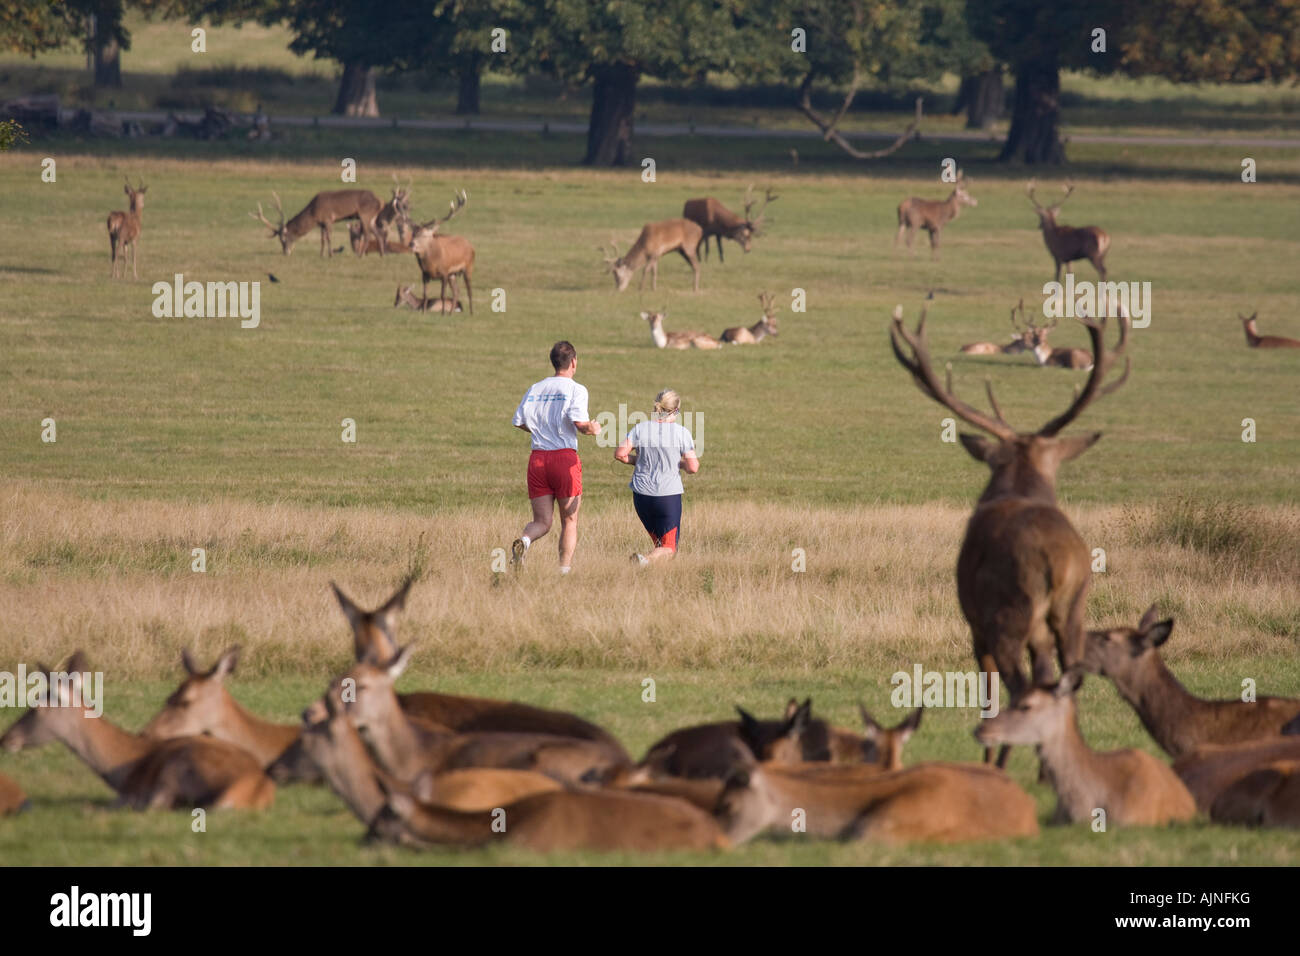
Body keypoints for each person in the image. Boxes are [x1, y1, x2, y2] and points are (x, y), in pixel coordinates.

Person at [510, 341, 601, 574]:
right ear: (573, 362)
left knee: (542, 522)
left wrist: (542, 431)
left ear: (553, 362)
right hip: (564, 459)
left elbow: (519, 421)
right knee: (569, 521)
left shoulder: (536, 388)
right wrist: (593, 429)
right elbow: (579, 423)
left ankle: (526, 541)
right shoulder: (576, 389)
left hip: (538, 459)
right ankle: (563, 571)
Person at [615, 388, 700, 565]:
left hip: (641, 496)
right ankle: (643, 561)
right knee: (669, 548)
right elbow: (693, 467)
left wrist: (639, 460)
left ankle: (655, 576)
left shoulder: (640, 428)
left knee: (660, 545)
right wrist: (679, 463)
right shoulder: (681, 432)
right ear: (676, 411)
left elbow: (620, 454)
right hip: (667, 497)